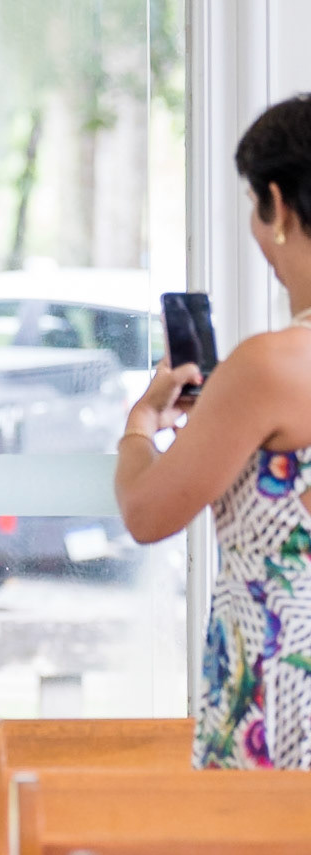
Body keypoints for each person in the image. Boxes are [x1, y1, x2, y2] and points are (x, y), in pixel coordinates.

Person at [115, 94, 311, 770]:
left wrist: (141, 424)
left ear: (279, 206)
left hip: (283, 692)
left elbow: (146, 513)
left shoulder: (268, 368)